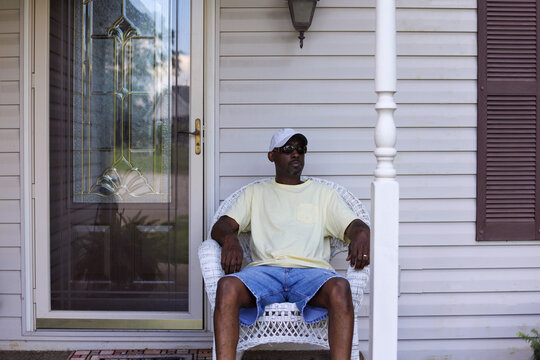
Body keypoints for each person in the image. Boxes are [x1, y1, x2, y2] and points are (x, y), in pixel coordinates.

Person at [210, 128, 370, 360]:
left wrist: (363, 232)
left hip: (311, 274)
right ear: (272, 156)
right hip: (264, 273)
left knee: (340, 288)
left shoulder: (323, 194)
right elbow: (221, 226)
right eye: (287, 149)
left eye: (300, 149)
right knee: (226, 287)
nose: (295, 154)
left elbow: (352, 226)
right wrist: (230, 239)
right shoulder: (256, 193)